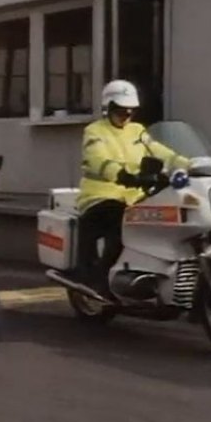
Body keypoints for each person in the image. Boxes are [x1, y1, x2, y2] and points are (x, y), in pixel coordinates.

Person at [76, 80, 188, 297]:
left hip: (135, 196)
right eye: (120, 110)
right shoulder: (95, 131)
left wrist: (190, 164)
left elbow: (158, 151)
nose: (126, 114)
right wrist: (122, 175)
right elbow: (97, 158)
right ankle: (100, 278)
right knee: (120, 224)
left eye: (130, 110)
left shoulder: (137, 131)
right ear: (107, 108)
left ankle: (150, 274)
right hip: (100, 196)